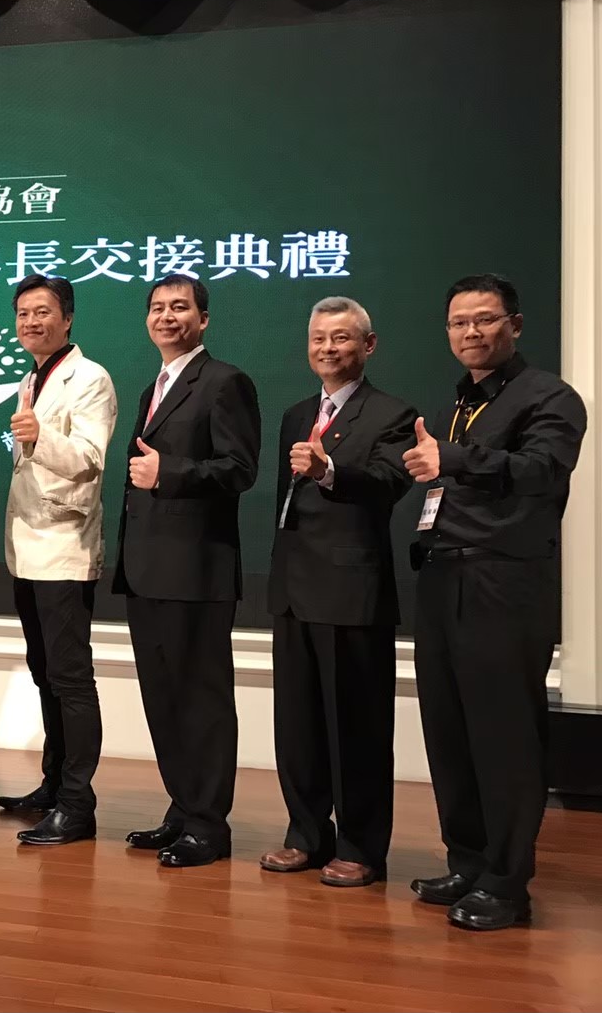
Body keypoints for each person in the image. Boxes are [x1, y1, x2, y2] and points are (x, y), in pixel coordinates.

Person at [402, 274, 586, 931]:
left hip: (504, 585)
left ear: (515, 324)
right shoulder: (458, 402)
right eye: (458, 322)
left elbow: (542, 471)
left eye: (484, 319)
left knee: (503, 736)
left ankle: (507, 884)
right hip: (443, 578)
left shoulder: (550, 397)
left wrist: (453, 459)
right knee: (449, 731)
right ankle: (469, 862)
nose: (470, 332)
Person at [262, 297, 416, 888]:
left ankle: (360, 846)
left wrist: (329, 471)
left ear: (368, 346)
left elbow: (388, 483)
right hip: (293, 590)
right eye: (319, 338)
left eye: (342, 338)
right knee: (297, 726)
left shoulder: (393, 414)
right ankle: (306, 834)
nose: (328, 348)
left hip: (352, 594)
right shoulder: (297, 413)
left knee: (357, 727)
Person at [114, 274, 260, 867]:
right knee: (164, 698)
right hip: (149, 568)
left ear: (204, 318)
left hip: (196, 570)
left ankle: (209, 824)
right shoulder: (155, 386)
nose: (166, 316)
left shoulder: (224, 381)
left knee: (200, 701)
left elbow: (240, 469)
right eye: (157, 307)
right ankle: (183, 807)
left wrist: (169, 473)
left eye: (180, 307)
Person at [0, 274, 117, 846]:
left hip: (65, 547)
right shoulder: (32, 377)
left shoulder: (90, 377)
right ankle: (52, 785)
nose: (31, 322)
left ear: (67, 318)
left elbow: (90, 458)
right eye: (23, 313)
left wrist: (38, 435)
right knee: (44, 673)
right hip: (27, 548)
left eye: (42, 312)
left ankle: (78, 804)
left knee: (70, 679)